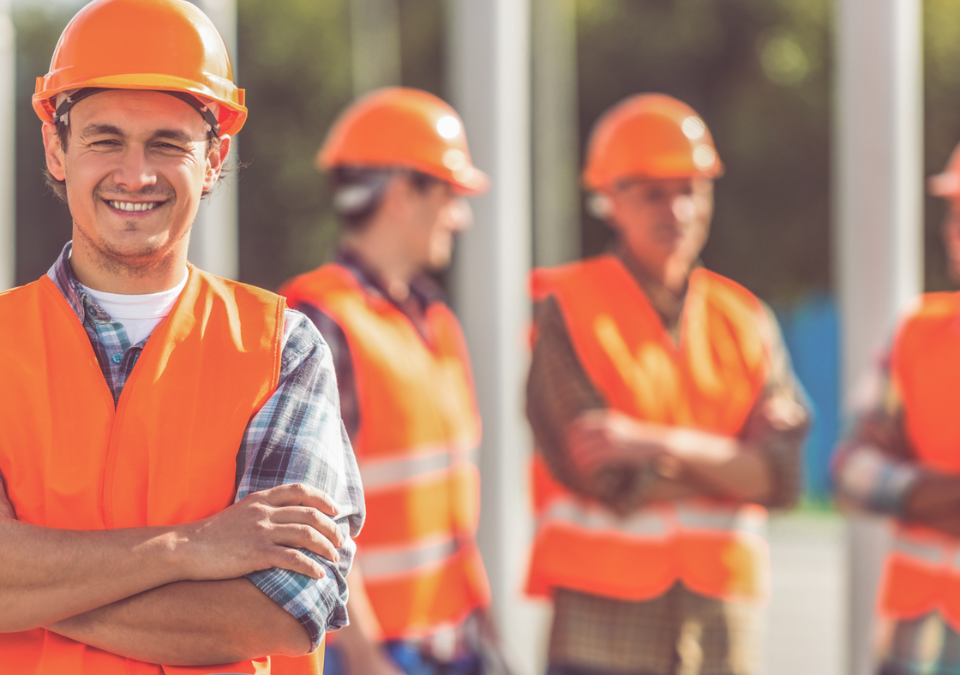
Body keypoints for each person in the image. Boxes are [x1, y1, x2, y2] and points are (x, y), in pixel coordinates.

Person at [0, 1, 363, 673]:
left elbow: (282, 614)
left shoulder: (283, 349)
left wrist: (28, 586)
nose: (135, 174)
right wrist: (192, 548)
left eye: (167, 144)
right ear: (57, 148)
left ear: (214, 156)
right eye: (105, 139)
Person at [524, 93, 810, 675]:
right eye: (655, 192)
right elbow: (607, 476)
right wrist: (736, 469)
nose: (677, 210)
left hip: (722, 634)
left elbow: (784, 478)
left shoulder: (745, 317)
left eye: (692, 190)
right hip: (600, 636)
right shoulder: (567, 309)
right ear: (609, 200)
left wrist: (656, 444)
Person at [279, 87, 503, 675]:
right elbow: (312, 512)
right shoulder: (320, 320)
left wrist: (484, 622)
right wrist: (367, 654)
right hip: (376, 655)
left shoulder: (435, 321)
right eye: (451, 195)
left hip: (454, 642)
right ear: (404, 195)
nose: (462, 216)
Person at [832, 142, 960, 675]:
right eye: (955, 213)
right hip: (920, 634)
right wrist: (917, 491)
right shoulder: (917, 331)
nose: (956, 230)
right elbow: (850, 470)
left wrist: (911, 482)